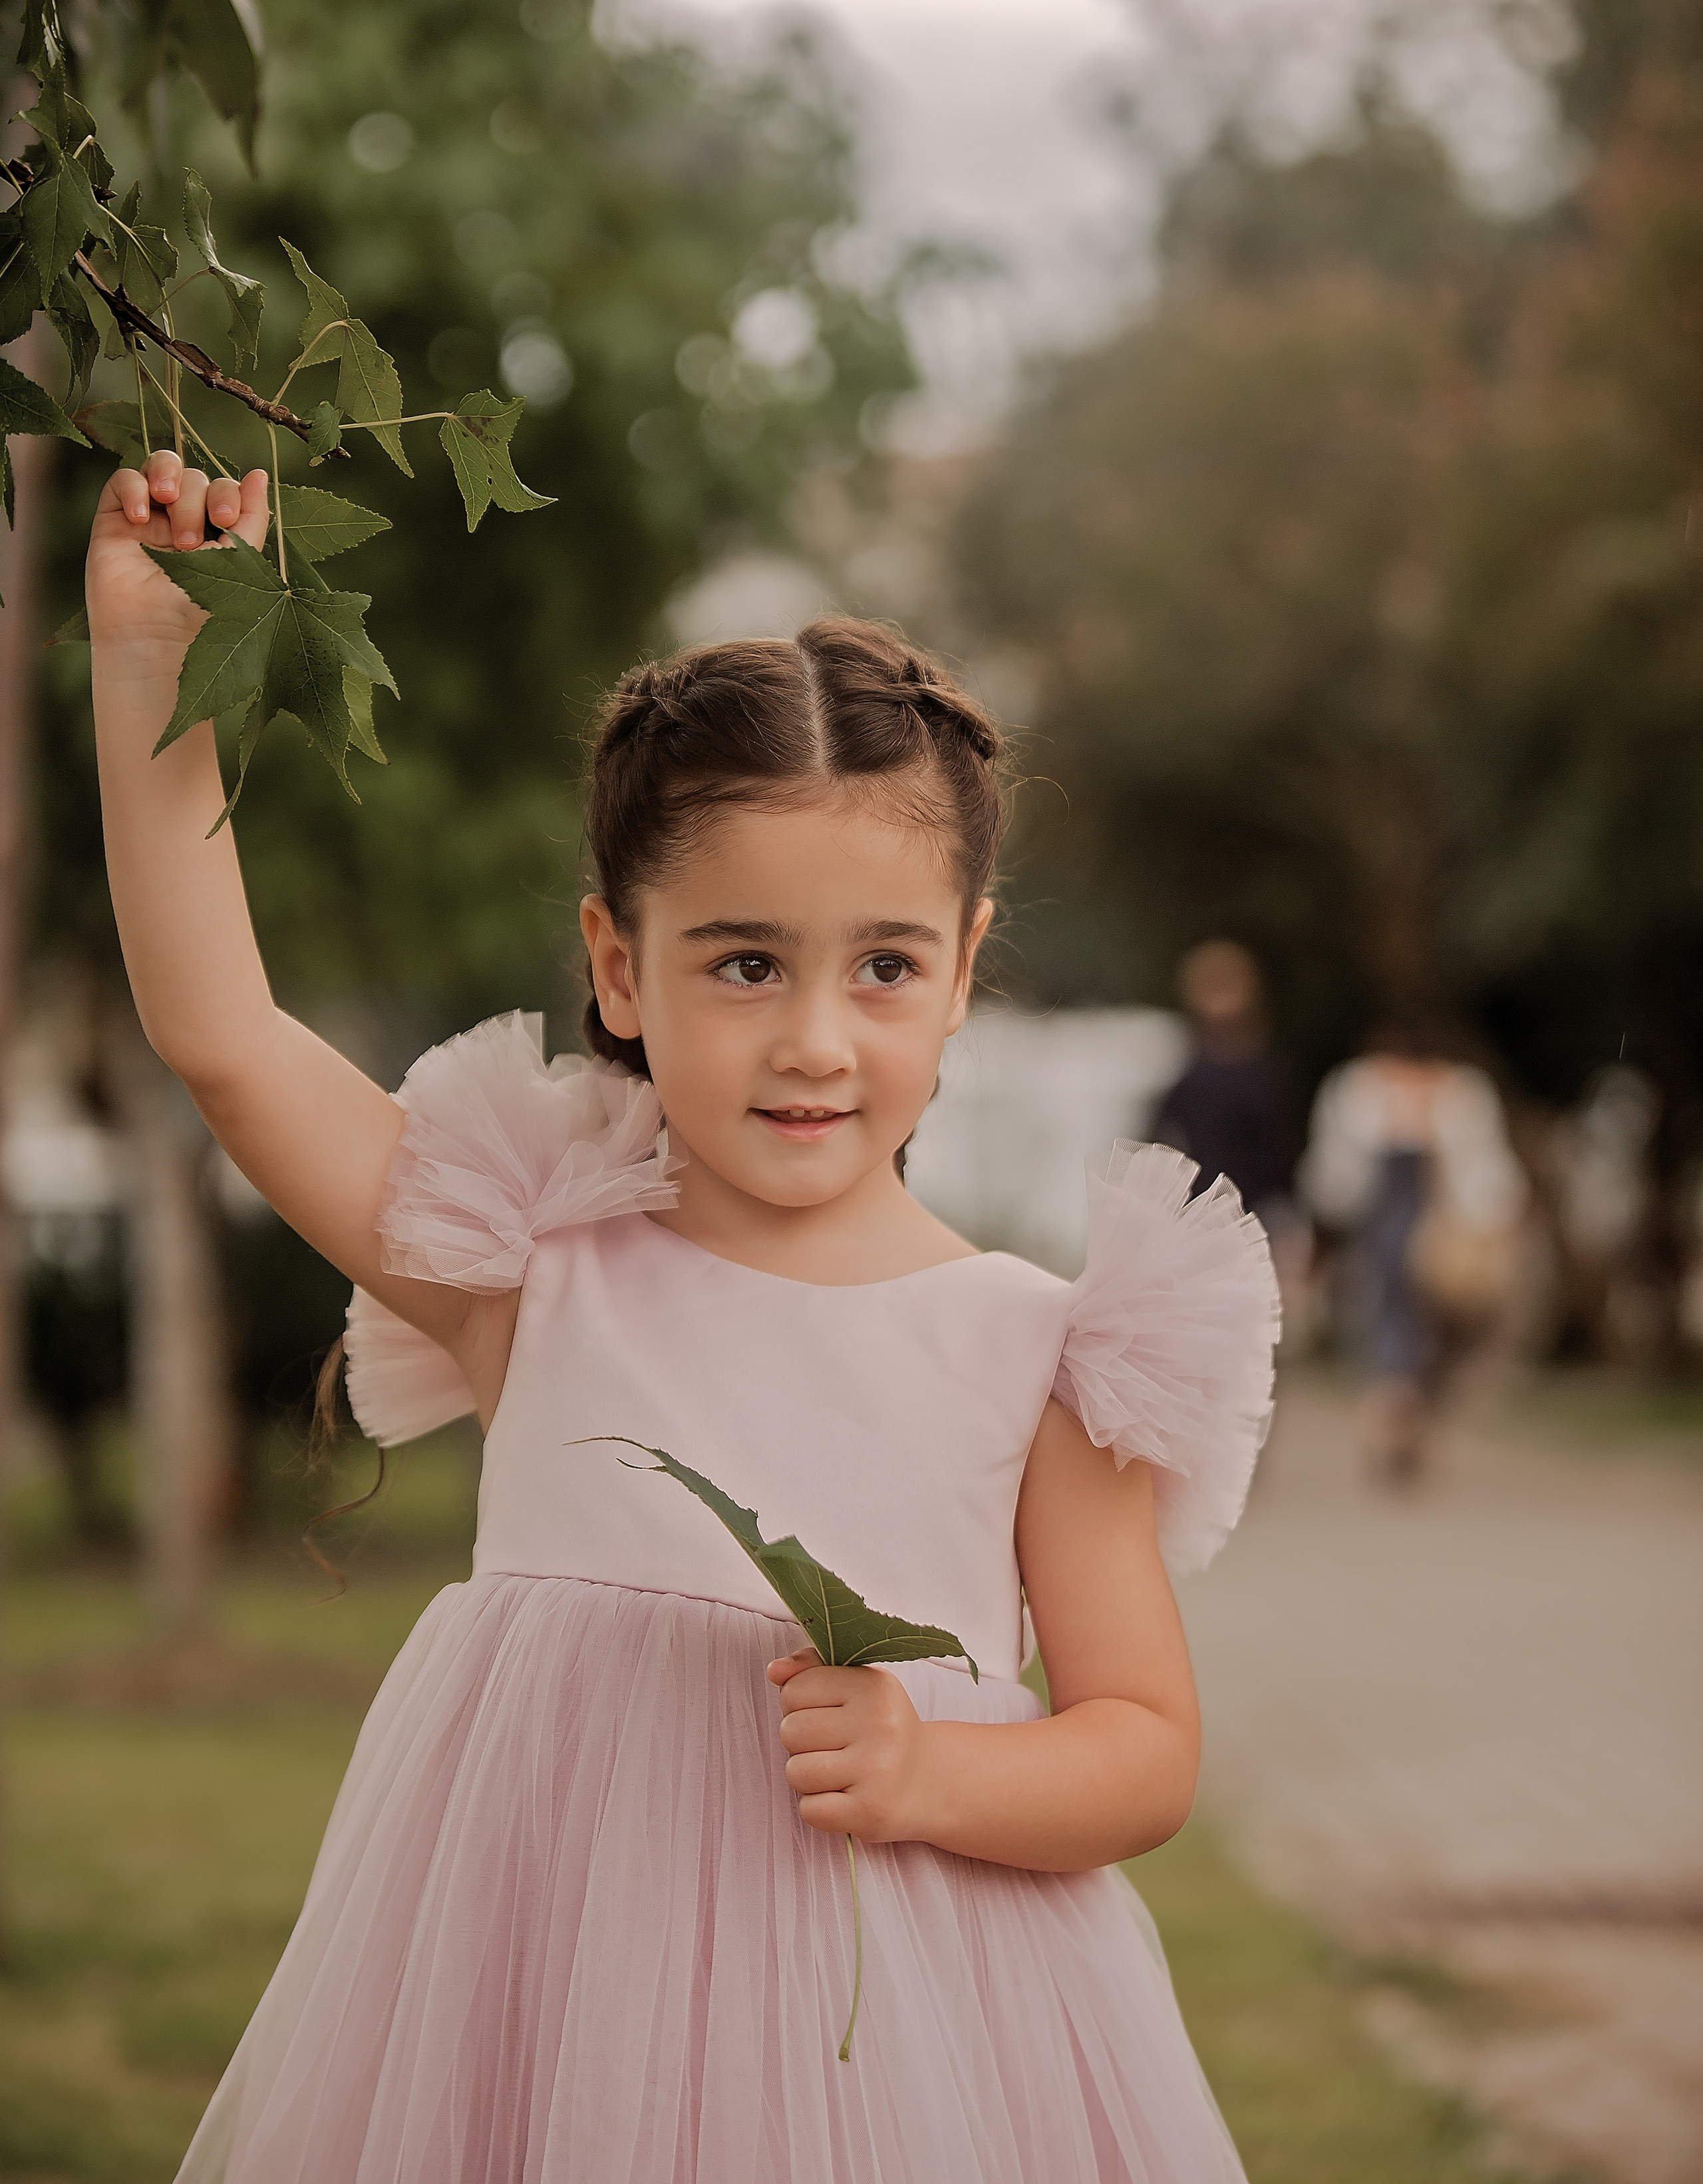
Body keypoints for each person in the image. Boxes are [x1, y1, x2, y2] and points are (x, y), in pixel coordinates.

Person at [90, 449, 1281, 2184]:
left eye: (882, 966)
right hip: (552, 2005)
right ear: (619, 964)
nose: (813, 1039)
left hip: (921, 2044)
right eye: (744, 964)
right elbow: (228, 1039)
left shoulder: (1043, 1354)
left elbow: (1144, 1748)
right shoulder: (538, 1271)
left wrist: (935, 1770)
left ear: (962, 969)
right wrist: (153, 668)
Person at [1300, 1009, 1526, 1483]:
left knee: (1398, 1330)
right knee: (1401, 1331)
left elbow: (1331, 1178)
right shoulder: (1441, 1091)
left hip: (1424, 1236)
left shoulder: (1364, 1089)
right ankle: (1401, 1427)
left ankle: (1396, 1424)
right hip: (1404, 1233)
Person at [1153, 941, 1309, 1312]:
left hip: (1255, 1217)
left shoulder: (1263, 1077)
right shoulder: (1184, 1078)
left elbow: (1282, 1158)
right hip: (1195, 1220)